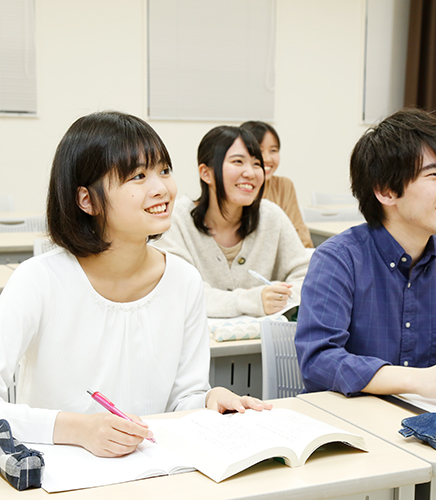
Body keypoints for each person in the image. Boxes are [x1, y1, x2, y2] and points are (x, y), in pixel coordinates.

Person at [0, 111, 271, 457]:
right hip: (58, 476)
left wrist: (208, 400)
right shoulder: (39, 280)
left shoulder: (183, 280)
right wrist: (79, 429)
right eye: (139, 176)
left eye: (164, 171)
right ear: (88, 200)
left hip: (152, 471)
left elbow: (182, 398)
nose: (162, 189)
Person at [295, 108, 436, 404]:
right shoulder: (339, 259)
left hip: (430, 426)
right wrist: (418, 379)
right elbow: (319, 361)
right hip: (350, 425)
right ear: (386, 191)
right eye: (434, 175)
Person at [155, 125, 309, 318]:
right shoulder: (175, 221)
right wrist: (253, 300)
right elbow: (181, 291)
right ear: (206, 173)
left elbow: (309, 278)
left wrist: (280, 297)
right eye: (238, 161)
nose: (251, 173)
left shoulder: (271, 217)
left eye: (256, 164)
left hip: (262, 345)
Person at [240, 121, 313, 248]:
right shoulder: (237, 188)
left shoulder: (283, 186)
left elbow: (300, 236)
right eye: (259, 150)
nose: (267, 158)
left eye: (273, 150)